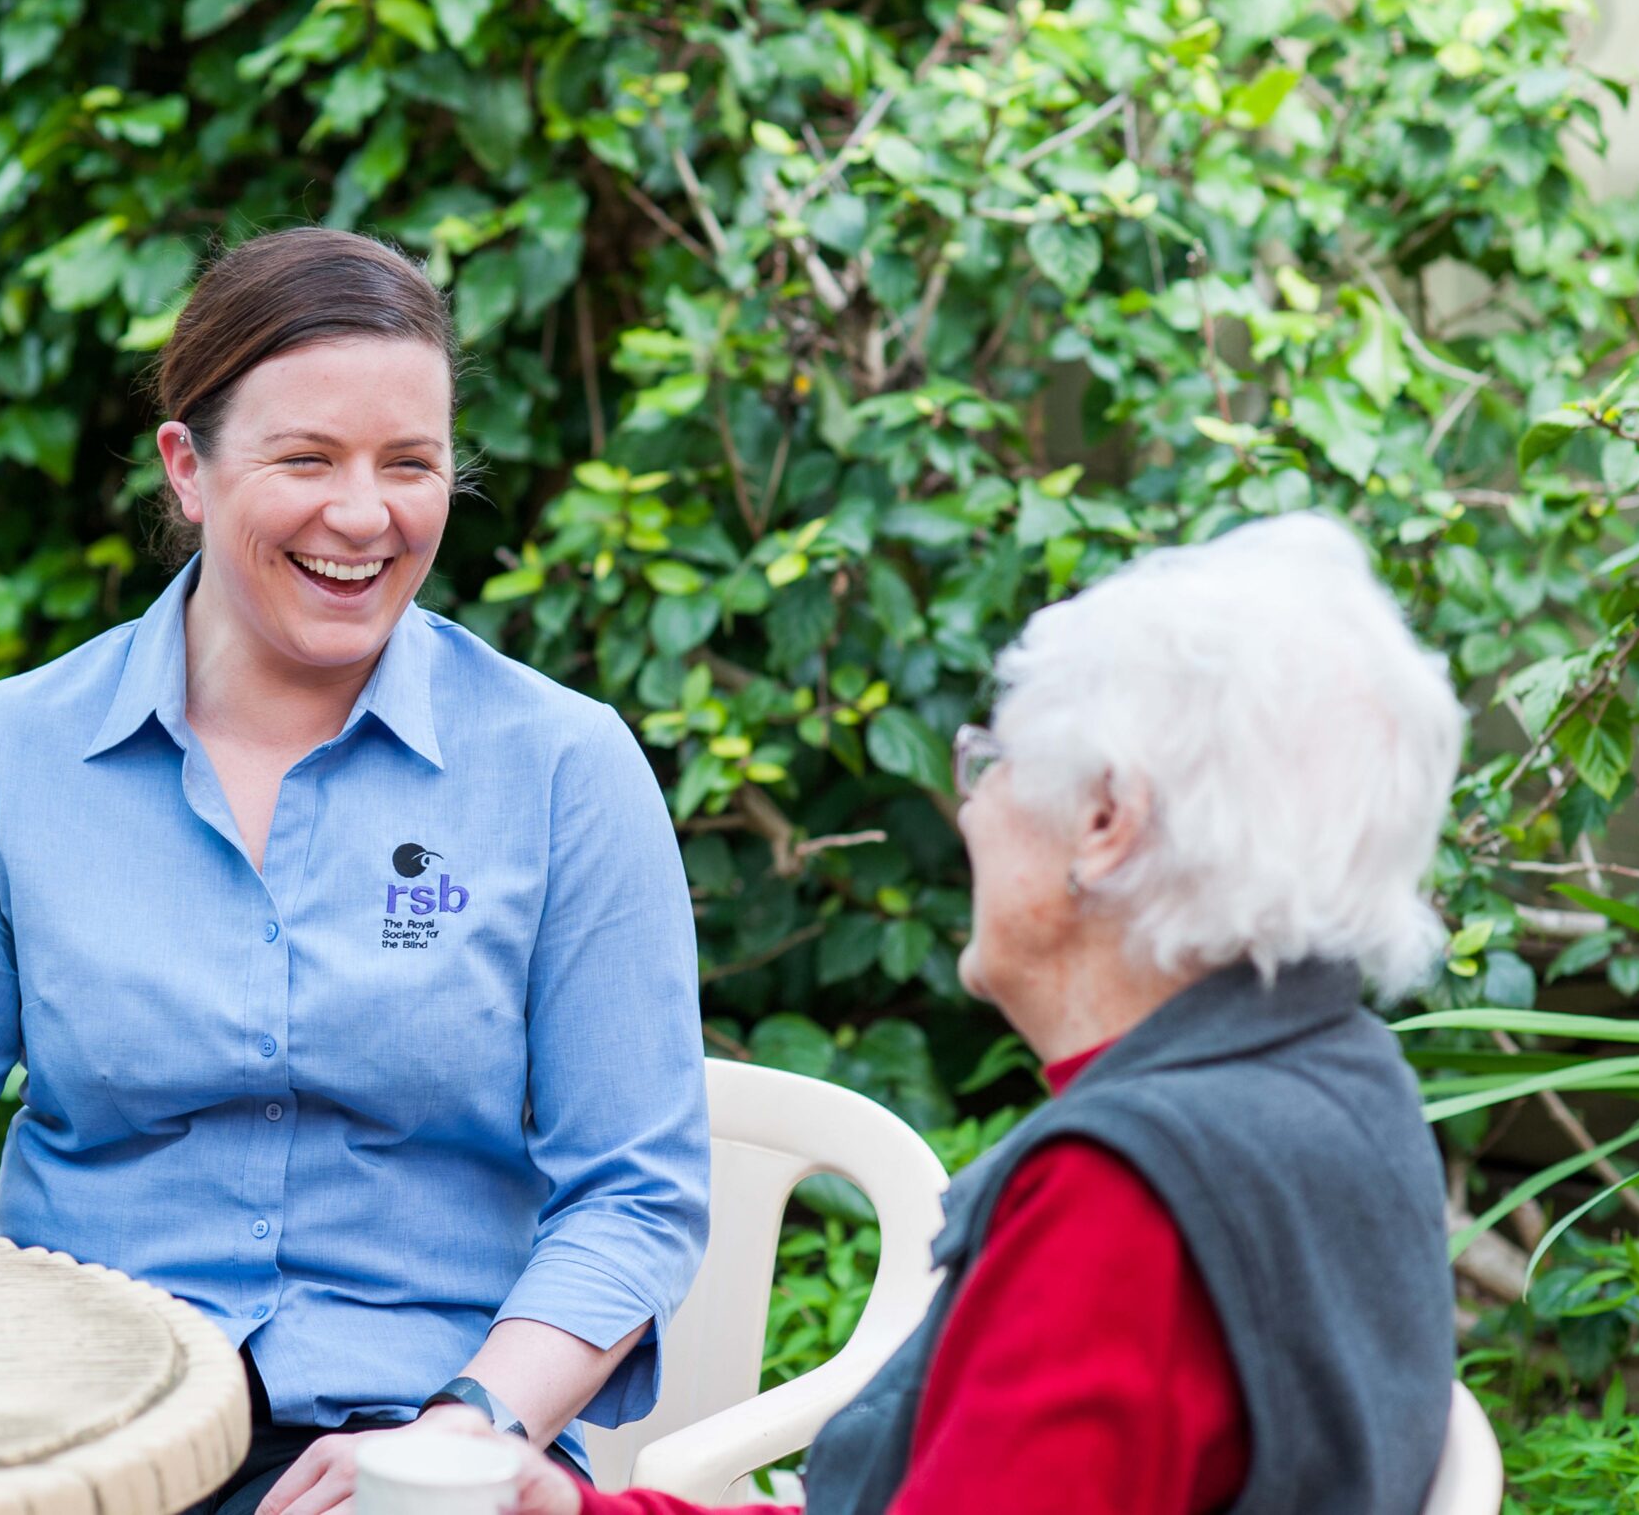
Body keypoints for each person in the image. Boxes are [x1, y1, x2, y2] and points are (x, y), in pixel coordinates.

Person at [0, 229, 710, 1515]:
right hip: (70, 1432)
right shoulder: (5, 758)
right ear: (188, 466)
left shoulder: (561, 767)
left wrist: (469, 1430)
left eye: (411, 464)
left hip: (418, 1441)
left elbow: (634, 1193)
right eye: (305, 459)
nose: (365, 513)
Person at [496, 514, 1463, 1515]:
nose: (968, 808)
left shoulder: (1121, 1202)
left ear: (1104, 823)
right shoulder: (1345, 1075)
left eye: (993, 759)